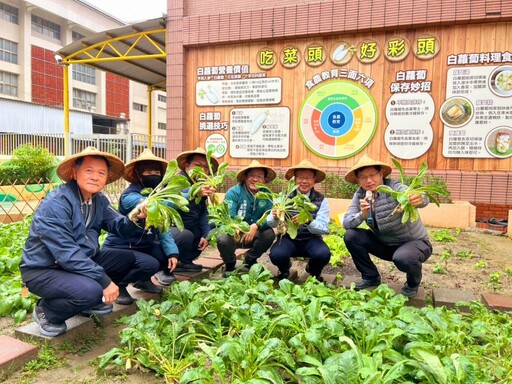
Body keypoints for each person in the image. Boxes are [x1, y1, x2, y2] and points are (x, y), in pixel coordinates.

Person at [19, 147, 159, 337]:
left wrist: (137, 216)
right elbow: (67, 253)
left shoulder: (98, 200)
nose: (95, 176)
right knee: (91, 291)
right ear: (75, 173)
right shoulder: (56, 204)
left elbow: (119, 226)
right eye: (89, 170)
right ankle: (47, 311)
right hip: (44, 269)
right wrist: (104, 281)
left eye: (101, 173)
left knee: (137, 261)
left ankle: (87, 301)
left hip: (79, 262)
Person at [342, 155, 432, 298]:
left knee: (403, 258)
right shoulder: (360, 194)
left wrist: (420, 198)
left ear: (381, 174)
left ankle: (412, 284)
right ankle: (370, 277)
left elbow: (418, 196)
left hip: (414, 244)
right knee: (351, 236)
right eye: (363, 177)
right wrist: (362, 215)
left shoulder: (393, 187)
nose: (369, 180)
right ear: (358, 180)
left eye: (372, 175)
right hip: (385, 245)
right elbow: (346, 223)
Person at [103, 149, 179, 304]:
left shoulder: (157, 193)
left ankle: (142, 281)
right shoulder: (129, 195)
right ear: (138, 174)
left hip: (144, 246)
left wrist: (172, 253)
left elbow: (163, 228)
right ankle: (119, 283)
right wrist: (186, 195)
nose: (154, 174)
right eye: (148, 171)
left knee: (166, 255)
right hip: (122, 247)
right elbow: (145, 204)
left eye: (157, 171)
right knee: (149, 264)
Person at [267, 160, 331, 282]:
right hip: (287, 238)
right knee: (276, 254)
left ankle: (313, 271)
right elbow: (270, 223)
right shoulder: (283, 196)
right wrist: (275, 217)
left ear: (314, 180)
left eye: (308, 178)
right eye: (300, 177)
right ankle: (285, 269)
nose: (304, 181)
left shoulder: (321, 200)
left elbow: (323, 228)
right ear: (295, 180)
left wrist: (308, 221)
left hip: (311, 239)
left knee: (323, 254)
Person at [218, 160, 276, 275]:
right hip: (236, 233)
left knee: (269, 234)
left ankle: (249, 261)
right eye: (252, 175)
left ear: (264, 180)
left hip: (255, 233)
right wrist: (237, 227)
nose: (255, 179)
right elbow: (228, 216)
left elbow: (268, 215)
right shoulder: (234, 192)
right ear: (245, 177)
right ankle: (229, 264)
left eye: (259, 176)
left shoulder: (267, 194)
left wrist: (256, 226)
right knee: (223, 238)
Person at [171, 148, 218, 272]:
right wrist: (194, 192)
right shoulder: (177, 180)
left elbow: (203, 212)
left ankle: (184, 261)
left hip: (191, 225)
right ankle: (166, 265)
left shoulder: (201, 183)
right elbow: (174, 198)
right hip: (173, 227)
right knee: (185, 235)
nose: (202, 170)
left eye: (206, 167)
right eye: (197, 165)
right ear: (187, 166)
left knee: (212, 226)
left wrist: (206, 235)